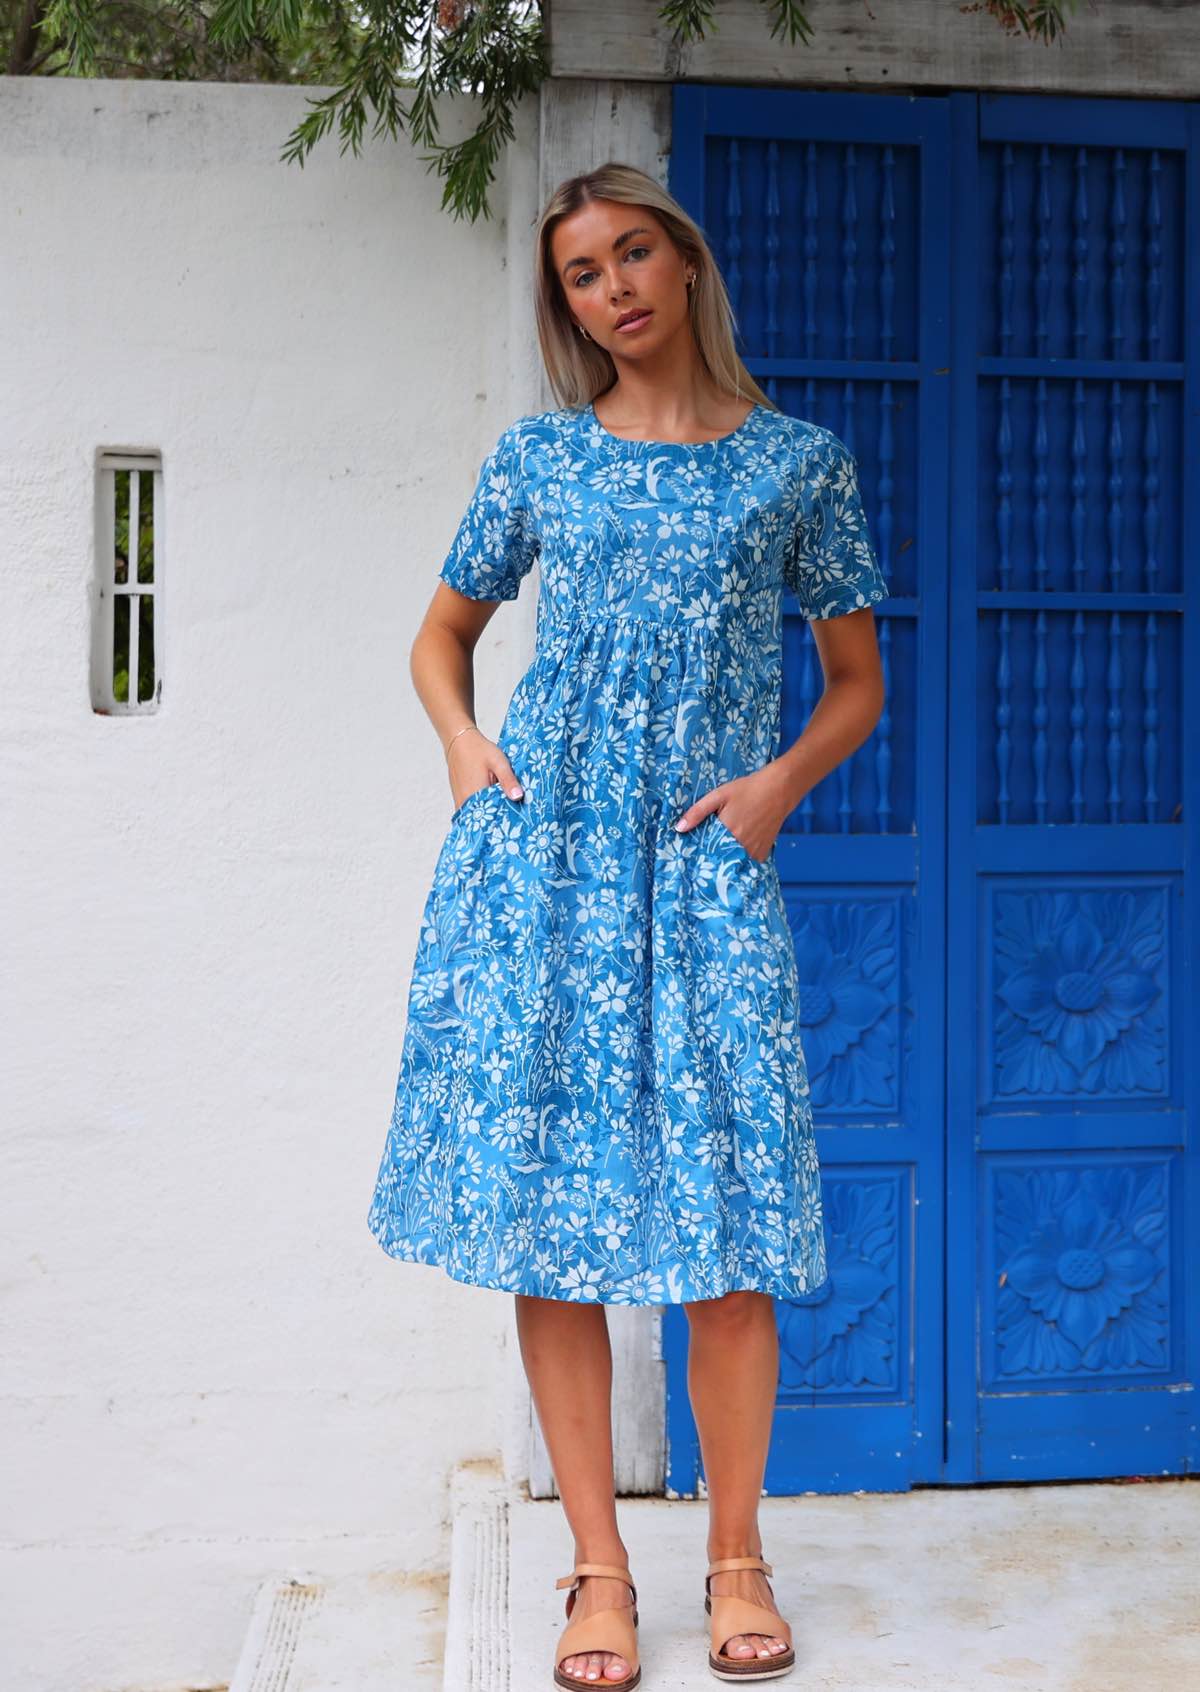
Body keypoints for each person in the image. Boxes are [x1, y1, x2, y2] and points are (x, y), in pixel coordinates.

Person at [367, 161, 888, 1688]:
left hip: (703, 862)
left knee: (726, 1230)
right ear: (569, 306)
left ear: (688, 262)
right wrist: (468, 751)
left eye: (635, 254)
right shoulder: (537, 461)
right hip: (551, 873)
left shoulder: (796, 466)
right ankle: (597, 1573)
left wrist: (778, 788)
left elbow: (858, 683)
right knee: (555, 1217)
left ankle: (736, 1554)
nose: (616, 291)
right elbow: (441, 636)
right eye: (584, 275)